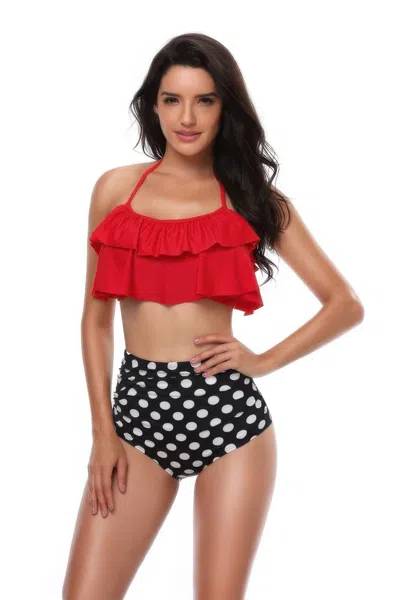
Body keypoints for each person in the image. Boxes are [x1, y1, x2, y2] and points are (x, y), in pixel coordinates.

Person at [62, 32, 364, 600]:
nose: (187, 117)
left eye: (205, 100)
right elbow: (95, 321)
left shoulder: (252, 198)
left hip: (230, 421)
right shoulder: (115, 190)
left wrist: (263, 360)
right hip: (135, 419)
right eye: (172, 99)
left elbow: (345, 304)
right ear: (153, 105)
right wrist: (103, 433)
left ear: (226, 107)